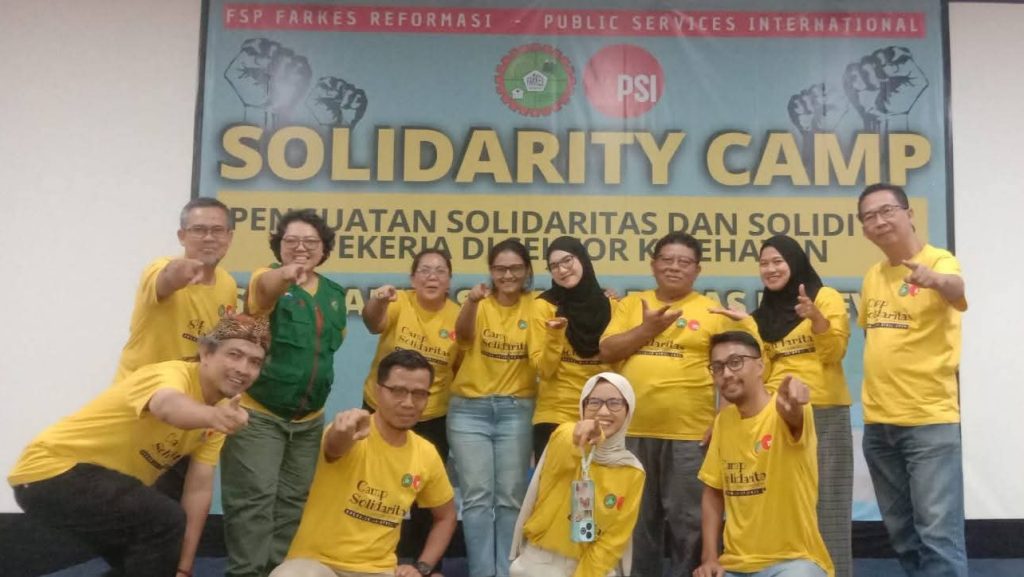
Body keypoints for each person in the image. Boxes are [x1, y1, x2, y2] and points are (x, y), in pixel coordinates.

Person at [8, 315, 270, 577]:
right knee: (164, 521)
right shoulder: (168, 375)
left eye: (254, 362)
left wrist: (183, 569)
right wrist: (212, 416)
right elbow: (167, 406)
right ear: (206, 353)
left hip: (76, 480)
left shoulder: (220, 413)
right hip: (51, 470)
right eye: (234, 355)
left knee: (148, 560)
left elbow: (198, 491)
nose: (243, 369)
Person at [599, 232, 756, 577]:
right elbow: (607, 351)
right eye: (667, 260)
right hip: (633, 432)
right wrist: (647, 328)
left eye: (684, 262)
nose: (674, 267)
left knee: (690, 523)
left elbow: (733, 371)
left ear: (697, 270)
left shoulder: (711, 311)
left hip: (690, 435)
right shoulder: (632, 304)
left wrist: (722, 416)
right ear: (653, 264)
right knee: (637, 522)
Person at [221, 209, 348, 577]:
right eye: (291, 240)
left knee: (294, 502)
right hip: (260, 414)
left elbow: (331, 347)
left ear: (324, 249)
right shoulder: (268, 277)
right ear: (279, 246)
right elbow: (265, 290)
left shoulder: (335, 294)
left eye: (310, 241)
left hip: (309, 422)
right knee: (253, 501)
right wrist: (286, 274)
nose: (301, 247)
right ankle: (247, 573)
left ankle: (279, 571)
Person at [856, 183, 968, 577]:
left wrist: (934, 280)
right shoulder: (873, 276)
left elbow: (956, 288)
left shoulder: (940, 260)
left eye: (887, 210)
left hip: (928, 422)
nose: (879, 221)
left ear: (909, 214)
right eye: (869, 216)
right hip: (878, 425)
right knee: (902, 535)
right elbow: (873, 337)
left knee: (938, 536)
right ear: (864, 229)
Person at [270, 349, 457, 577]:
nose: (408, 403)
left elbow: (446, 517)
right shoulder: (354, 430)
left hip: (378, 570)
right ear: (377, 392)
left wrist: (422, 567)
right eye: (398, 391)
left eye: (419, 394)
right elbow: (335, 447)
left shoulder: (426, 453)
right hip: (317, 565)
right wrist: (342, 431)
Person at [750, 235, 852, 577]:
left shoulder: (825, 297)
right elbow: (764, 372)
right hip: (777, 415)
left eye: (778, 261)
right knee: (782, 503)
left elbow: (834, 352)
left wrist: (817, 318)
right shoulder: (761, 315)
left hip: (823, 412)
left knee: (830, 504)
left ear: (794, 263)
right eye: (764, 263)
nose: (770, 269)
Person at [695, 331, 833, 577]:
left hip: (794, 562)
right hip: (734, 565)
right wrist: (710, 559)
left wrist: (793, 405)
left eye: (735, 362)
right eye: (717, 367)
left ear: (760, 366)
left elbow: (793, 415)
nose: (726, 373)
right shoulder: (724, 422)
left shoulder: (783, 411)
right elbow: (713, 493)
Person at [361, 248, 461, 558]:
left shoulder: (458, 316)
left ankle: (421, 563)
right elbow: (373, 323)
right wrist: (378, 301)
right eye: (425, 270)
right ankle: (364, 557)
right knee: (369, 485)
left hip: (431, 416)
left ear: (449, 280)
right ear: (413, 278)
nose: (432, 277)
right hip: (380, 410)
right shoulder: (399, 302)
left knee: (424, 494)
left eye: (440, 271)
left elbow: (459, 366)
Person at [449, 239, 537, 577]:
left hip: (516, 410)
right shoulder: (478, 302)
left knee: (510, 498)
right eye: (500, 269)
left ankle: (507, 571)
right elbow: (462, 336)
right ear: (491, 271)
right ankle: (482, 572)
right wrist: (471, 302)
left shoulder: (538, 305)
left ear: (527, 271)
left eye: (515, 268)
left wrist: (608, 298)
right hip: (469, 411)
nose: (508, 275)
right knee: (476, 498)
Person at [509, 372, 645, 577]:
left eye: (615, 403)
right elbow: (572, 438)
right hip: (541, 564)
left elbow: (613, 540)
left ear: (629, 410)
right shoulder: (563, 438)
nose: (603, 411)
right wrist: (590, 432)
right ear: (582, 406)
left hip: (594, 568)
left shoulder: (632, 470)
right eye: (594, 402)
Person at [114, 197, 238, 383]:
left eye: (217, 230)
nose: (209, 238)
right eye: (199, 230)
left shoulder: (228, 284)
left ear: (229, 237)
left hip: (187, 391)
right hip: (140, 391)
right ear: (182, 236)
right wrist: (179, 271)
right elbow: (167, 277)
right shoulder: (157, 268)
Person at [530, 236, 614, 459]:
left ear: (582, 259)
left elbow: (618, 364)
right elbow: (544, 370)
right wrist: (555, 334)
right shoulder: (544, 306)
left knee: (600, 481)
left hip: (602, 415)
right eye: (554, 266)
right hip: (555, 415)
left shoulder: (611, 305)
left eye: (567, 260)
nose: (562, 270)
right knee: (553, 482)